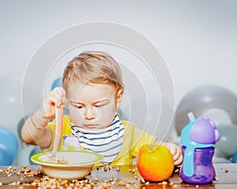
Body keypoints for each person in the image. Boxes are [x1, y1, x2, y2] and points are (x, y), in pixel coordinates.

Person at [21, 51, 182, 166]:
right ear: (68, 102)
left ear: (117, 98)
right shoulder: (63, 128)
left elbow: (155, 148)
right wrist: (42, 114)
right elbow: (29, 136)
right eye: (78, 106)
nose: (89, 115)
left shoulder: (128, 133)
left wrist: (168, 149)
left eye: (98, 105)